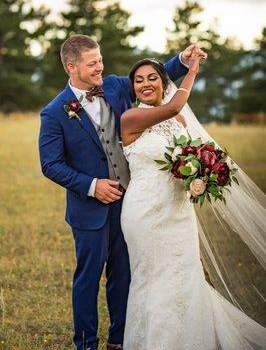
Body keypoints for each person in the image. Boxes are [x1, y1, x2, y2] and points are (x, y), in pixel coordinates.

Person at [38, 34, 206, 350]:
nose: (100, 67)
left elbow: (153, 75)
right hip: (89, 211)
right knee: (88, 279)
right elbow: (51, 164)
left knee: (124, 275)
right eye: (92, 64)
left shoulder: (115, 85)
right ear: (72, 67)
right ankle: (86, 343)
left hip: (132, 203)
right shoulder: (54, 112)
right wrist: (92, 186)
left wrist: (183, 60)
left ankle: (119, 340)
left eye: (100, 60)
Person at [120, 56, 266, 349]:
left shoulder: (181, 121)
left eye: (152, 77)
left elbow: (191, 157)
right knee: (152, 276)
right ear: (133, 88)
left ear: (163, 82)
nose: (146, 84)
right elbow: (173, 105)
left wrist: (201, 177)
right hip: (144, 212)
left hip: (178, 210)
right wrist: (192, 70)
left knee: (184, 272)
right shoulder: (130, 118)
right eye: (139, 80)